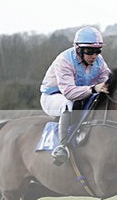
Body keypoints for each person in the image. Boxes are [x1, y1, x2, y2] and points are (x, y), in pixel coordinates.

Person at [39, 26, 111, 164]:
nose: (94, 55)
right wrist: (95, 88)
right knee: (68, 104)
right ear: (78, 49)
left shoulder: (99, 61)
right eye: (90, 51)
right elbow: (69, 92)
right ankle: (62, 147)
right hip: (53, 96)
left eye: (98, 51)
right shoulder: (64, 60)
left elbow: (107, 79)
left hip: (82, 94)